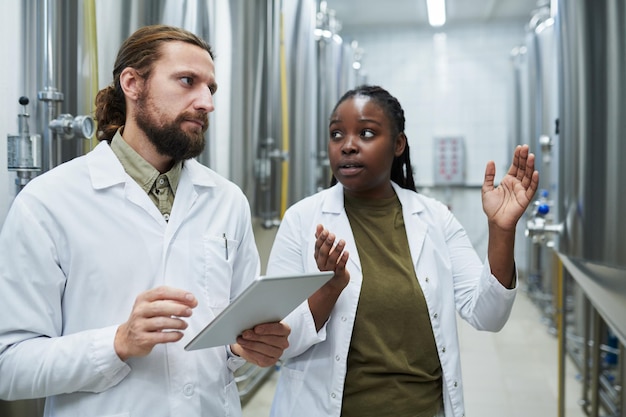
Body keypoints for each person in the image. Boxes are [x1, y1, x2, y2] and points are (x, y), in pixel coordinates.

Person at [0, 24, 290, 416]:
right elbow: (10, 365)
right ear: (133, 84)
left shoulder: (227, 201)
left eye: (210, 88)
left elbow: (230, 342)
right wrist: (118, 342)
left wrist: (247, 347)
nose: (206, 102)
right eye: (187, 81)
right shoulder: (48, 202)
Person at [266, 85, 539, 417]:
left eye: (366, 133)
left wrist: (501, 230)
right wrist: (329, 288)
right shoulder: (301, 221)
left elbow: (488, 315)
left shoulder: (435, 219)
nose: (348, 146)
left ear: (398, 144)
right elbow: (279, 342)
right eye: (337, 134)